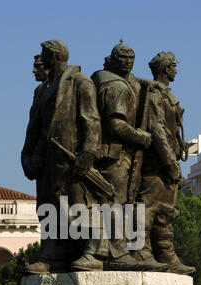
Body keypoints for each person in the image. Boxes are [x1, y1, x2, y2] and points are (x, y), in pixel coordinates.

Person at [72, 42, 168, 271]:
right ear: (113, 59)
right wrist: (141, 137)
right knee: (116, 204)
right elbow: (116, 125)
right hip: (115, 154)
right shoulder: (117, 88)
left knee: (109, 203)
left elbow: (133, 80)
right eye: (124, 58)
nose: (128, 62)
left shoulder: (100, 78)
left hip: (106, 154)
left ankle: (108, 250)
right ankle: (118, 253)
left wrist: (149, 83)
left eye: (131, 58)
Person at [21, 40, 102, 273]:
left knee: (76, 206)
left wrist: (88, 152)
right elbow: (33, 128)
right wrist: (27, 156)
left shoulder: (80, 82)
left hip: (70, 157)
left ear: (54, 57)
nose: (41, 58)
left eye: (44, 55)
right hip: (45, 159)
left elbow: (91, 120)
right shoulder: (42, 89)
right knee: (46, 207)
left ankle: (92, 250)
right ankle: (51, 255)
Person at [133, 51, 195, 275]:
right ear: (164, 69)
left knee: (166, 210)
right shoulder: (155, 93)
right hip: (157, 160)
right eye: (173, 66)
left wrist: (179, 149)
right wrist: (169, 161)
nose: (176, 70)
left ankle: (167, 256)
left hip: (169, 157)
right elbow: (156, 128)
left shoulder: (166, 94)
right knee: (147, 207)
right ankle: (142, 251)